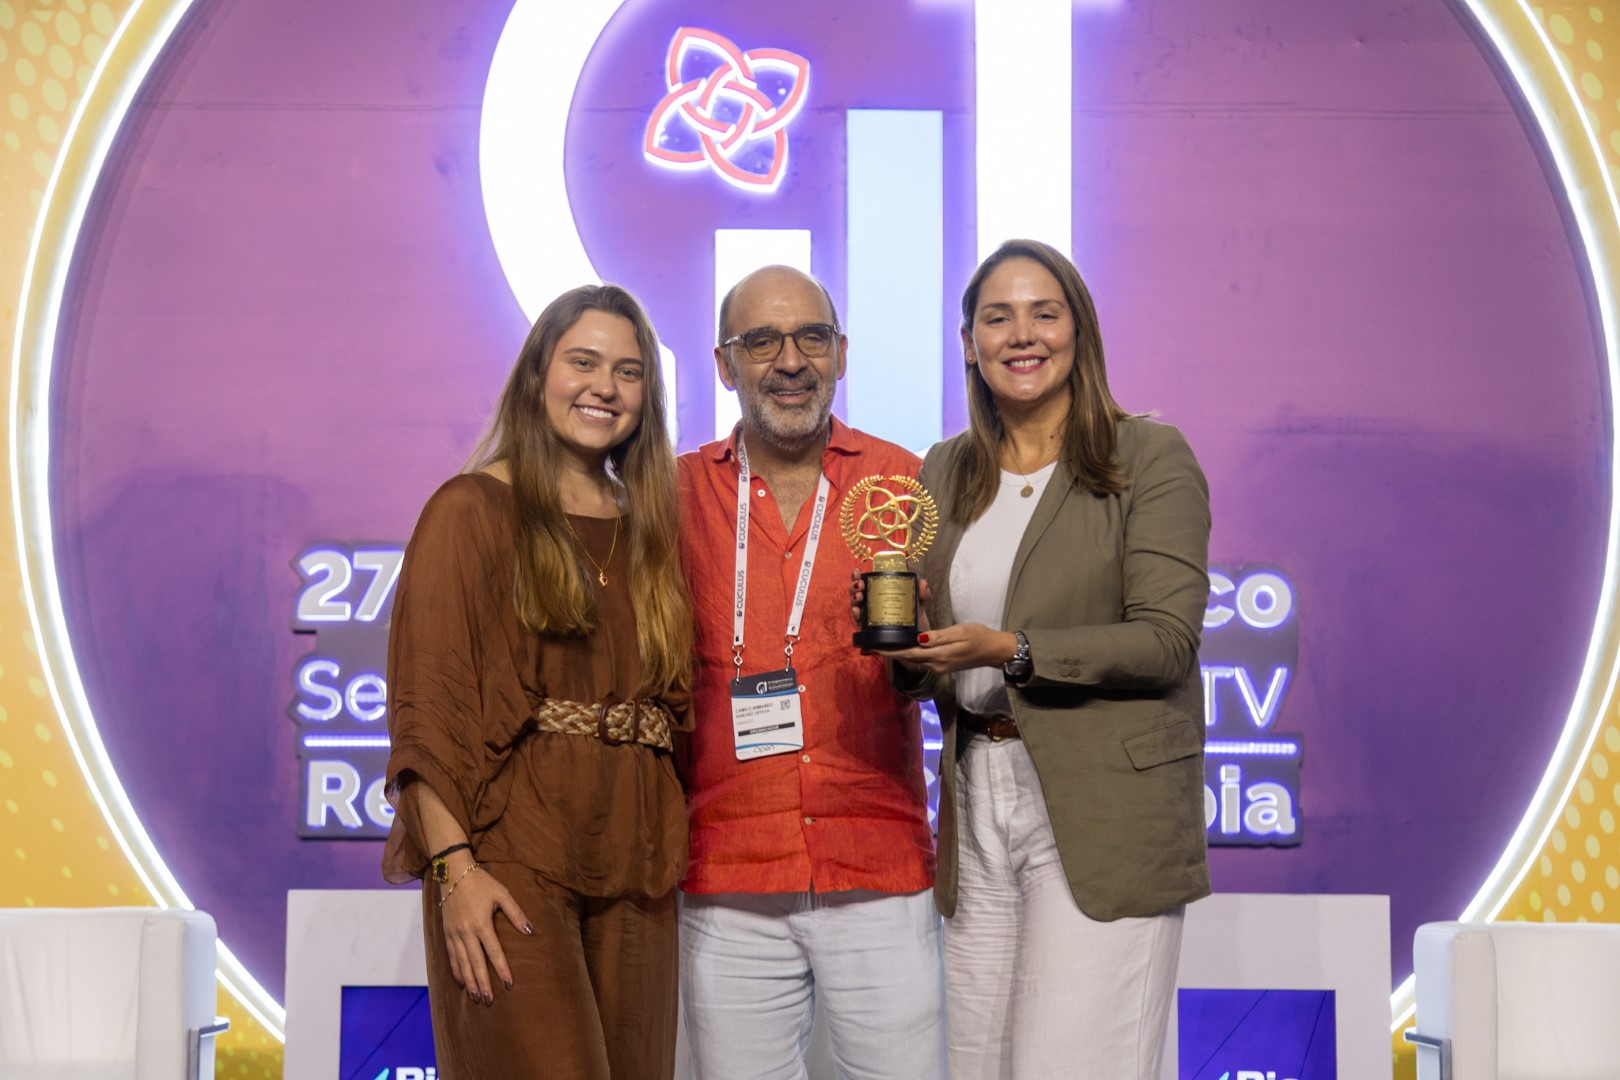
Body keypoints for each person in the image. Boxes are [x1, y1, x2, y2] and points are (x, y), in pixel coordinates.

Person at [871, 239, 1211, 1079]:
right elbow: (932, 651)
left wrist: (1013, 650)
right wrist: (909, 651)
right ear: (969, 343)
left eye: (1044, 313)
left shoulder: (1148, 456)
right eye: (998, 317)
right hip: (976, 798)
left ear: (1078, 330)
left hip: (1101, 811)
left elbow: (1166, 639)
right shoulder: (945, 469)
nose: (1022, 334)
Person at [380, 284, 693, 1079]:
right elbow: (427, 713)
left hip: (637, 865)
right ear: (536, 375)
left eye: (628, 372)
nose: (605, 387)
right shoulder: (468, 510)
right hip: (509, 855)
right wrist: (456, 871)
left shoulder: (652, 529)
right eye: (583, 362)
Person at [676, 265, 946, 1079]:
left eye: (812, 337)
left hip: (877, 864)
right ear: (724, 364)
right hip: (728, 870)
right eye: (762, 341)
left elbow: (951, 668)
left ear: (842, 353)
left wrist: (923, 650)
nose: (791, 361)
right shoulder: (675, 494)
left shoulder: (903, 482)